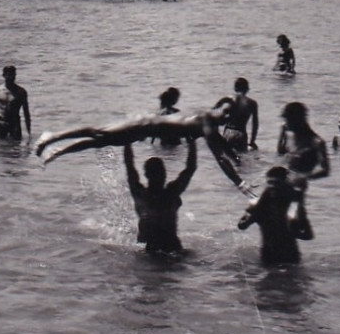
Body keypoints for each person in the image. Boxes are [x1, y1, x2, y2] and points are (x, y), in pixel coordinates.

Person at [35, 103, 247, 189]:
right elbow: (219, 156)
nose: (226, 117)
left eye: (230, 116)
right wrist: (239, 183)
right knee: (97, 132)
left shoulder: (208, 125)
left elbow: (222, 147)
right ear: (216, 107)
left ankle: (57, 151)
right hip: (141, 124)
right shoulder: (207, 119)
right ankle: (53, 136)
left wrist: (237, 161)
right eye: (225, 111)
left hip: (141, 131)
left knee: (99, 142)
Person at [123, 138, 198, 255]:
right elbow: (190, 168)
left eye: (162, 171)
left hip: (154, 250)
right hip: (169, 249)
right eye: (159, 172)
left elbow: (129, 165)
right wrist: (192, 143)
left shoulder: (142, 195)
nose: (162, 175)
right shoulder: (170, 193)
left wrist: (127, 142)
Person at [238, 166, 313, 266]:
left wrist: (294, 232)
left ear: (285, 184)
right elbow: (241, 226)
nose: (272, 186)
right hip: (269, 257)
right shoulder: (262, 205)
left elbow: (309, 235)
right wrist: (249, 214)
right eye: (270, 183)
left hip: (290, 258)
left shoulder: (294, 206)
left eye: (276, 183)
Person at [275, 102, 329, 181]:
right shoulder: (288, 134)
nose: (285, 123)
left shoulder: (317, 142)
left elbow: (325, 171)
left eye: (288, 120)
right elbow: (280, 153)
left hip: (303, 184)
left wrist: (302, 178)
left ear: (298, 119)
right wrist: (282, 134)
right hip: (287, 180)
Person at [0, 65, 32, 140]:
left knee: (16, 148)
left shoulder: (21, 92)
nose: (12, 77)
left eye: (13, 75)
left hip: (15, 123)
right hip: (2, 122)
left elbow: (26, 113)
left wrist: (29, 133)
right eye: (9, 75)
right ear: (4, 75)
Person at [217, 77, 259, 154]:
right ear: (247, 89)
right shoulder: (252, 103)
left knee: (226, 158)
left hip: (228, 132)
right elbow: (255, 124)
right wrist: (252, 141)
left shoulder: (227, 100)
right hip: (241, 134)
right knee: (240, 162)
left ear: (235, 88)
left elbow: (215, 118)